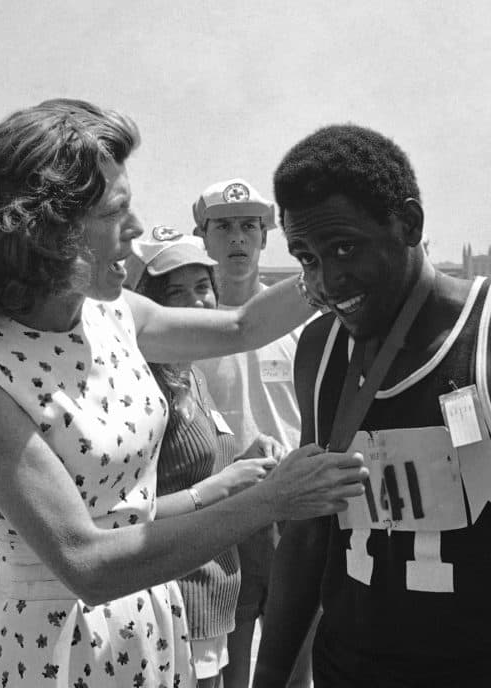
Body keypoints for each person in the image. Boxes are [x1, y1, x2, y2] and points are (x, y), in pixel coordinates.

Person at [0, 98, 367, 688]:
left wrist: (327, 268)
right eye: (116, 211)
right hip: (61, 642)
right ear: (47, 229)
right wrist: (271, 500)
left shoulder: (112, 313)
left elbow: (242, 327)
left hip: (151, 620)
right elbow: (87, 563)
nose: (137, 228)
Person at [253, 124, 491, 687]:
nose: (328, 280)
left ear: (409, 224)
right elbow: (310, 533)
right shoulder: (320, 349)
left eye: (344, 248)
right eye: (307, 258)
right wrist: (267, 679)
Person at [127, 228, 286, 687]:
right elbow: (129, 514)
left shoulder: (191, 374)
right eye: (175, 292)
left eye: (202, 287)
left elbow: (198, 469)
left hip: (211, 598)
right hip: (173, 600)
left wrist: (244, 461)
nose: (196, 302)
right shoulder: (143, 386)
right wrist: (221, 486)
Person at [192, 179, 314, 688]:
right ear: (202, 237)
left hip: (292, 511)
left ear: (266, 236)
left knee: (294, 668)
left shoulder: (298, 322)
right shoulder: (186, 327)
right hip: (223, 514)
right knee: (230, 669)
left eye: (249, 226)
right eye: (223, 227)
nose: (237, 238)